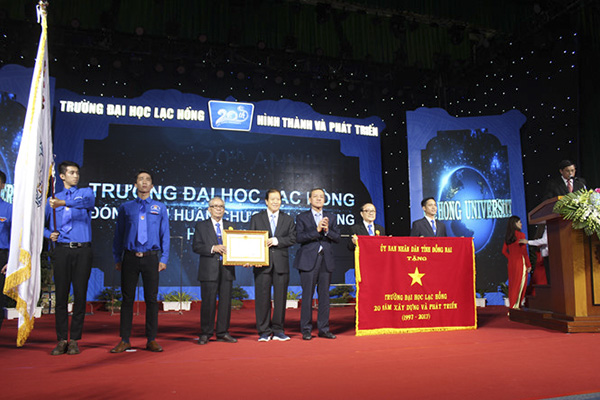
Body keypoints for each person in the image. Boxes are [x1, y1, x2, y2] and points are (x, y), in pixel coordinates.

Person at [111, 170, 170, 353]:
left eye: (147, 180)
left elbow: (165, 234)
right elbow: (119, 234)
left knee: (151, 300)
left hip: (151, 258)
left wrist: (164, 258)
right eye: (140, 179)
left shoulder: (160, 207)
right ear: (135, 184)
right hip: (129, 257)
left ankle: (151, 339)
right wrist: (117, 257)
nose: (144, 182)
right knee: (127, 299)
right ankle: (125, 339)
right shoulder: (126, 207)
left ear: (152, 186)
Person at [44, 161, 95, 355]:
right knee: (61, 296)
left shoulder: (85, 193)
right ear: (62, 176)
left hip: (82, 250)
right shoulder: (52, 200)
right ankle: (61, 339)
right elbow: (41, 225)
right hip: (62, 250)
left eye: (77, 173)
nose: (76, 176)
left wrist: (63, 203)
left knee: (80, 295)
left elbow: (88, 203)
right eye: (72, 173)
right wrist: (48, 234)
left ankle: (74, 339)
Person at [249, 189, 296, 342]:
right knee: (262, 298)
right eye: (272, 199)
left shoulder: (288, 219)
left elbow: (293, 238)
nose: (276, 202)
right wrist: (251, 258)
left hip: (281, 265)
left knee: (280, 299)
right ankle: (263, 331)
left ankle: (278, 330)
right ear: (266, 201)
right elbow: (251, 240)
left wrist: (277, 241)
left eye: (278, 199)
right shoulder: (256, 218)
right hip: (262, 264)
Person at [294, 188, 341, 340]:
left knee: (324, 297)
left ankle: (324, 329)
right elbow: (299, 238)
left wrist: (327, 231)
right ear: (310, 199)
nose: (319, 199)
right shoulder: (302, 217)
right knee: (307, 296)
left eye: (321, 196)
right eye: (316, 196)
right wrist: (317, 230)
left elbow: (337, 237)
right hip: (308, 261)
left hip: (326, 261)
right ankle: (306, 330)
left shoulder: (331, 217)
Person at [192, 197, 237, 345]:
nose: (218, 209)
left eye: (221, 206)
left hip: (227, 269)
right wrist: (213, 248)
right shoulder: (201, 226)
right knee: (208, 303)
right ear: (209, 209)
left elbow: (238, 247)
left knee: (225, 303)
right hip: (208, 270)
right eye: (215, 206)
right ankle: (206, 333)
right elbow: (196, 246)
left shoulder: (231, 226)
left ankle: (223, 332)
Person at [502, 216, 532, 309]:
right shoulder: (521, 235)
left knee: (512, 284)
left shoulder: (508, 236)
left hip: (511, 263)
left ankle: (512, 306)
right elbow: (524, 252)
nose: (521, 224)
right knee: (520, 284)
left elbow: (503, 251)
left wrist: (511, 258)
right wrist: (528, 264)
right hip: (520, 262)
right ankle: (515, 307)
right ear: (515, 223)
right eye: (519, 222)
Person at [0, 170, 12, 332]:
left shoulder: (9, 209)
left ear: (3, 186)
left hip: (1, 257)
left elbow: (15, 239)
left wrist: (11, 261)